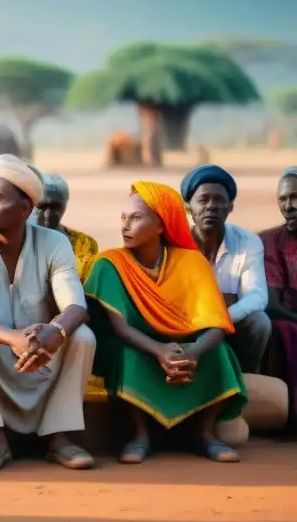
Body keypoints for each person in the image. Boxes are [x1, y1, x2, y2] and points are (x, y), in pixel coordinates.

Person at [0, 154, 95, 472]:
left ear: (25, 208)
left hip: (45, 355)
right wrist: (14, 338)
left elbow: (75, 306)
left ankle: (58, 438)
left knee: (82, 336)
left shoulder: (55, 243)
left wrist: (55, 333)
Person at [85, 181, 246, 464]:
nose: (125, 226)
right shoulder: (109, 264)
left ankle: (206, 435)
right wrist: (160, 351)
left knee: (219, 352)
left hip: (187, 349)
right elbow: (120, 328)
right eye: (123, 218)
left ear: (161, 225)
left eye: (135, 218)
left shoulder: (191, 262)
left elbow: (217, 325)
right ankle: (140, 436)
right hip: (139, 344)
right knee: (128, 354)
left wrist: (192, 353)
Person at [181, 165, 271, 374]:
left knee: (259, 322)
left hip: (230, 324)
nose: (211, 206)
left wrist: (220, 320)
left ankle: (248, 380)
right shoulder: (175, 244)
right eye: (203, 200)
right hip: (185, 323)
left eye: (219, 200)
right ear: (189, 208)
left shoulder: (248, 242)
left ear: (230, 207)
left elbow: (256, 296)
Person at [260, 167, 297, 418]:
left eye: (295, 197)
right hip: (287, 318)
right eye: (283, 199)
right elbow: (272, 304)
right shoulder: (268, 241)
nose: (289, 206)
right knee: (284, 329)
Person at [34, 173, 100, 282]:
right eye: (41, 207)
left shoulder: (84, 244)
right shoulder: (12, 240)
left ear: (65, 205)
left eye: (55, 207)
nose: (47, 215)